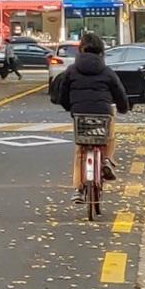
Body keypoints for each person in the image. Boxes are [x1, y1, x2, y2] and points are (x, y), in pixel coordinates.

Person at [59, 31, 129, 203]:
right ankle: (106, 159)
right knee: (109, 132)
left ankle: (78, 189)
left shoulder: (71, 70)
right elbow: (119, 93)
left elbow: (62, 94)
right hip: (102, 113)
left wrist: (70, 108)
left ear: (81, 49)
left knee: (80, 150)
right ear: (101, 50)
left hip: (80, 114)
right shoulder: (106, 71)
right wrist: (123, 108)